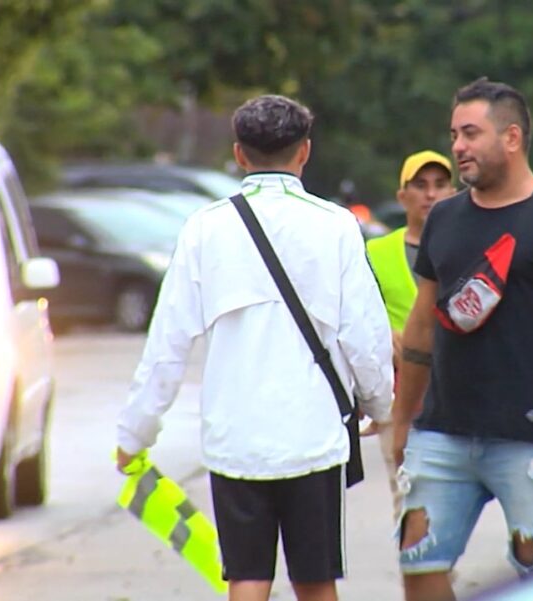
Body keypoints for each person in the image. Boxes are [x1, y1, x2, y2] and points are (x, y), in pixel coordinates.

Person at [115, 94, 394, 601]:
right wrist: (380, 404)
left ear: (239, 155)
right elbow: (365, 335)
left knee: (247, 578)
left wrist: (135, 432)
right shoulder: (335, 226)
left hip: (235, 438)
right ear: (304, 152)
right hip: (313, 436)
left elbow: (167, 344)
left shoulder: (206, 228)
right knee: (315, 580)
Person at [391, 78, 533, 601]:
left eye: (471, 133)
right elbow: (422, 325)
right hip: (443, 431)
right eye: (454, 134)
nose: (458, 147)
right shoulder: (444, 218)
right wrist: (405, 422)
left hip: (530, 437)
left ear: (512, 138)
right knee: (419, 562)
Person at [365, 149, 456, 518]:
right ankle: (419, 569)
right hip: (399, 396)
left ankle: (435, 569)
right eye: (420, 186)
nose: (430, 194)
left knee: (448, 502)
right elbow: (354, 316)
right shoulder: (377, 251)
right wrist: (383, 334)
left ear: (453, 192)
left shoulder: (467, 248)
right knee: (409, 500)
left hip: (456, 395)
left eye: (439, 185)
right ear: (402, 196)